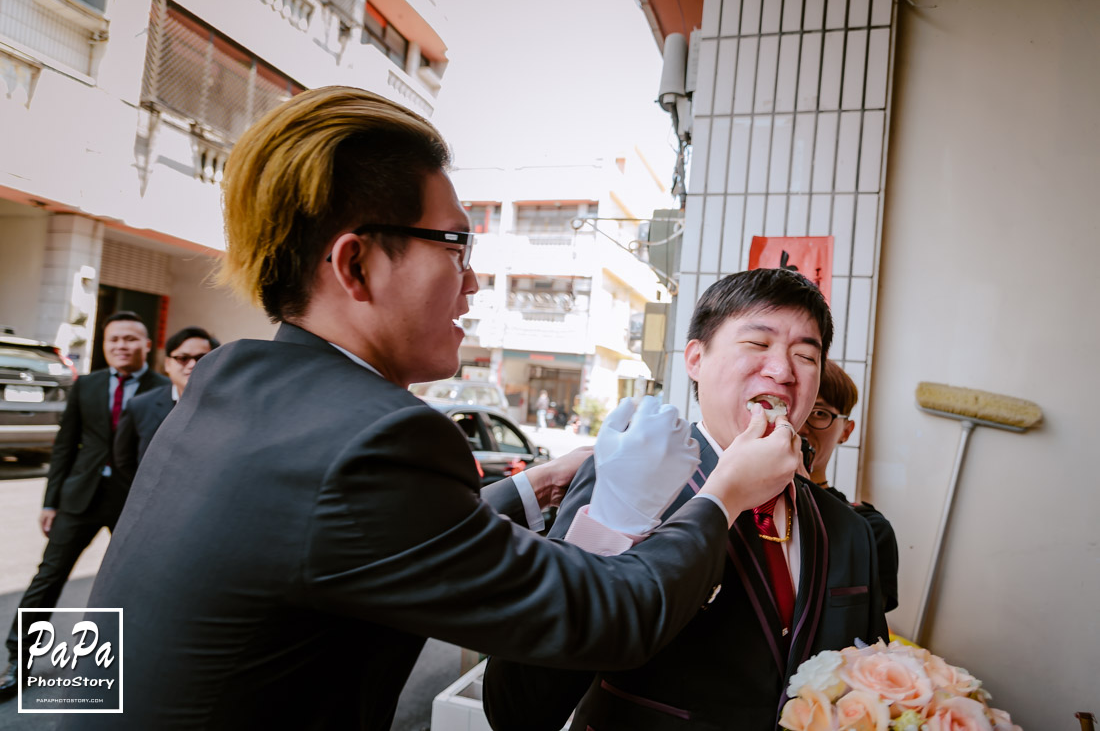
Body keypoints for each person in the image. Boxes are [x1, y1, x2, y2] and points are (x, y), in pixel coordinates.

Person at [65, 87, 802, 730]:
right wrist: (725, 491)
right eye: (456, 244)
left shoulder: (231, 380)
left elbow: (360, 536)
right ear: (355, 265)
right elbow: (606, 616)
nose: (474, 282)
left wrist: (533, 484)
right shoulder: (376, 440)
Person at [483, 269, 890, 731]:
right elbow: (520, 707)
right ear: (695, 358)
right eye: (758, 344)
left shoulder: (850, 531)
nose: (782, 370)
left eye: (805, 355)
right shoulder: (627, 479)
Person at [0, 311, 168, 700]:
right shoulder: (87, 385)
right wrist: (51, 500)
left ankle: (136, 663)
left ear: (146, 344)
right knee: (48, 577)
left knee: (141, 584)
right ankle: (17, 661)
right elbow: (64, 445)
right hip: (80, 497)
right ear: (104, 345)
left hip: (134, 502)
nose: (121, 346)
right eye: (114, 340)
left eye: (130, 339)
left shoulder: (164, 388)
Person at [799, 359, 899, 613]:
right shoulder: (740, 506)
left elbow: (858, 625)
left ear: (846, 431)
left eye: (819, 413)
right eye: (793, 408)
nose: (801, 426)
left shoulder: (867, 529)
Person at [114, 326, 220, 483]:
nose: (192, 365)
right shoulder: (139, 406)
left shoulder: (230, 406)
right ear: (168, 364)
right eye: (183, 358)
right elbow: (124, 461)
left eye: (201, 358)